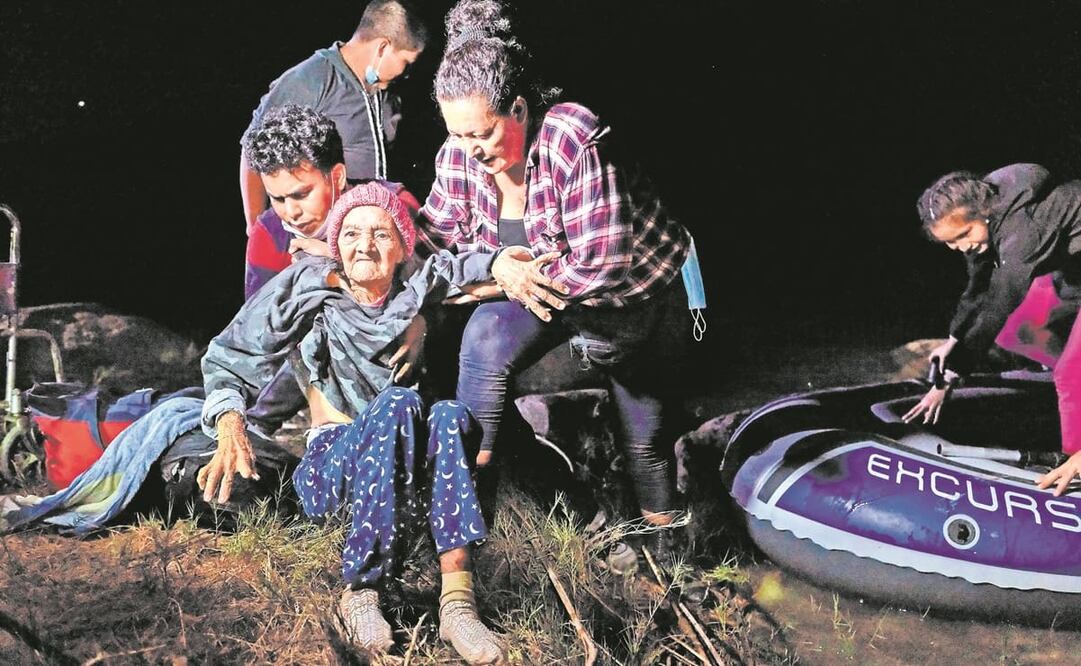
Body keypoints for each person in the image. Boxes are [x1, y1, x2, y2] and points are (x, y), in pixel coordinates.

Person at [416, 0, 704, 542]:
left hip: (633, 305)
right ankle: (467, 524)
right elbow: (429, 248)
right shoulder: (456, 157)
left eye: (482, 134)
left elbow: (601, 265)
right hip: (549, 298)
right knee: (483, 338)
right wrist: (493, 276)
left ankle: (667, 557)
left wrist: (499, 280)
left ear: (519, 110)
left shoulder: (570, 135)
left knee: (643, 442)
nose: (469, 151)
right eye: (457, 135)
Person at [199, 181, 505, 662]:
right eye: (352, 234)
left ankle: (458, 604)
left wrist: (505, 264)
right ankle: (362, 591)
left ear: (404, 247)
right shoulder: (312, 287)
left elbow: (467, 266)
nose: (365, 245)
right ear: (335, 244)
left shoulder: (415, 289)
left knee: (448, 415)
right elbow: (232, 353)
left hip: (406, 478)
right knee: (400, 403)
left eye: (381, 235)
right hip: (331, 471)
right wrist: (229, 423)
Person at [902, 164, 1081, 497]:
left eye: (964, 235)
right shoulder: (985, 222)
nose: (960, 247)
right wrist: (953, 341)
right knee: (1020, 334)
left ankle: (1076, 462)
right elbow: (979, 286)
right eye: (949, 243)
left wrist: (952, 374)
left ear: (983, 214)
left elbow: (1002, 300)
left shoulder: (1021, 230)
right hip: (1074, 270)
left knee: (1071, 372)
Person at [240, 0, 428, 291]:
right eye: (406, 62)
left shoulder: (385, 91)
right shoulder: (310, 79)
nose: (406, 73)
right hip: (318, 230)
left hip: (373, 228)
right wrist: (257, 228)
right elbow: (254, 150)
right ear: (382, 47)